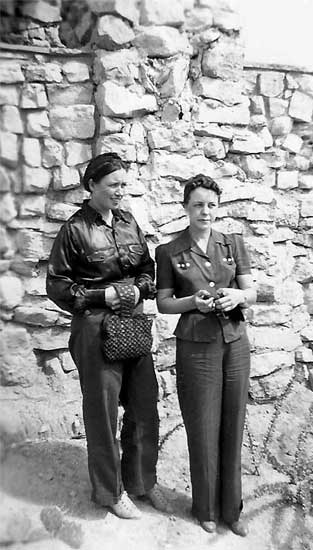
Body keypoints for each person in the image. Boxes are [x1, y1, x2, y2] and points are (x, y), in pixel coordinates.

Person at [46, 152, 170, 519]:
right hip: (94, 328)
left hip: (132, 323)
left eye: (124, 185)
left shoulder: (130, 222)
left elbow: (148, 269)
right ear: (92, 186)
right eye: (114, 185)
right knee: (101, 413)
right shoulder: (74, 229)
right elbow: (57, 285)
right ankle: (110, 493)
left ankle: (142, 483)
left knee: (145, 406)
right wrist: (105, 295)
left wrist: (140, 289)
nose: (121, 191)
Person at [155, 174, 256, 536]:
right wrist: (191, 303)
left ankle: (233, 509)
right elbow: (164, 302)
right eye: (197, 204)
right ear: (185, 207)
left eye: (211, 205)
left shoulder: (233, 243)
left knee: (233, 422)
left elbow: (252, 291)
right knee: (203, 425)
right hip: (197, 346)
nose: (205, 211)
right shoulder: (169, 251)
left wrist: (238, 297)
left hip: (235, 342)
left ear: (218, 207)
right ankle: (206, 509)